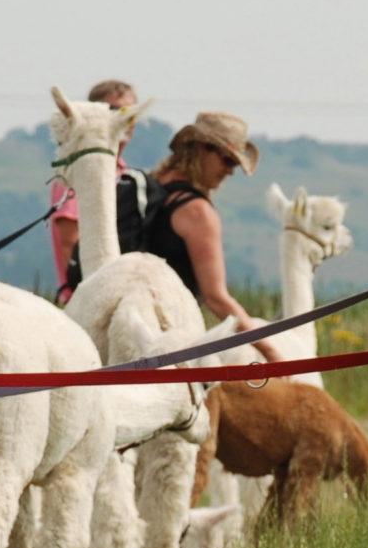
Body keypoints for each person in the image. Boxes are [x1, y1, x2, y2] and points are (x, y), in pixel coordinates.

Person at [147, 111, 281, 361]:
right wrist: (269, 351)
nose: (230, 172)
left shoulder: (151, 188)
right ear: (201, 149)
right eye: (227, 160)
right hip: (168, 336)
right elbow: (216, 298)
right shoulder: (197, 212)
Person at [49, 79, 136, 303]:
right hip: (83, 298)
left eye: (130, 112)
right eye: (115, 110)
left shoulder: (126, 174)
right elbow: (69, 241)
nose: (124, 118)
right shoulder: (75, 174)